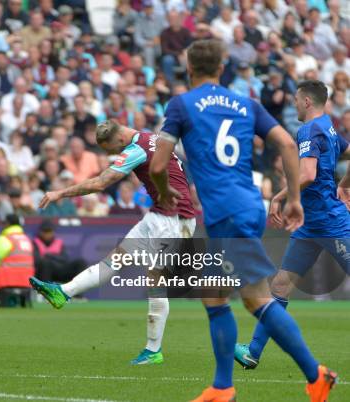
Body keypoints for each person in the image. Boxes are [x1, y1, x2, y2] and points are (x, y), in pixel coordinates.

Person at [148, 39, 335, 402]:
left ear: (188, 70)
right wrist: (294, 197)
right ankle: (222, 387)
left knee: (255, 299)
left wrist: (164, 189)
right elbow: (285, 143)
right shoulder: (246, 104)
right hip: (245, 204)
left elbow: (158, 165)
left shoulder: (181, 104)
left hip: (227, 212)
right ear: (222, 68)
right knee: (215, 295)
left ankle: (316, 374)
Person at [31, 119, 196, 365]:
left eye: (113, 149)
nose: (116, 154)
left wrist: (60, 193)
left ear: (119, 139)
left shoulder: (135, 149)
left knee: (155, 281)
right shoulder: (150, 137)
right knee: (114, 261)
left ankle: (153, 350)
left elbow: (100, 183)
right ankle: (63, 292)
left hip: (175, 220)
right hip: (159, 215)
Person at [235, 80, 350, 369]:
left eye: (296, 100)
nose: (294, 105)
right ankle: (253, 352)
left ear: (307, 102)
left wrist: (281, 194)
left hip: (330, 221)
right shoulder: (329, 126)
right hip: (310, 225)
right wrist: (345, 184)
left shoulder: (310, 129)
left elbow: (308, 174)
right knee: (281, 284)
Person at [0, 213, 35, 298]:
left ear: (8, 224)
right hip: (27, 281)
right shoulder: (26, 239)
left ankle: (1, 300)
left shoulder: (5, 239)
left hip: (6, 280)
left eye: (3, 223)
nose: (2, 225)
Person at [33, 219, 86, 285]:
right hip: (45, 273)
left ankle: (77, 292)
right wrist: (53, 257)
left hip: (60, 269)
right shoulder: (35, 243)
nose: (48, 234)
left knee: (80, 262)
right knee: (45, 263)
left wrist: (50, 255)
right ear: (40, 232)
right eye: (45, 231)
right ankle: (46, 292)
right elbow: (37, 260)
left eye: (50, 231)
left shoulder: (58, 242)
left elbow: (65, 259)